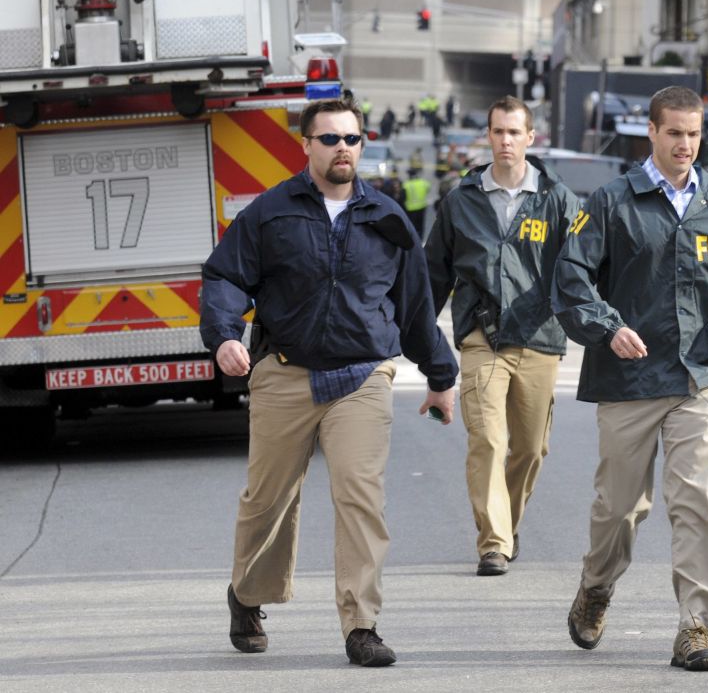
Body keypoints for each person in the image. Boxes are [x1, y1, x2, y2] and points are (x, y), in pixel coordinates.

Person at [200, 96, 458, 667]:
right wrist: (223, 336)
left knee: (361, 495)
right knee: (268, 499)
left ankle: (361, 625)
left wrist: (441, 375)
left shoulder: (387, 218)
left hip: (362, 376)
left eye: (352, 139)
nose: (343, 148)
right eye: (331, 139)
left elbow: (416, 308)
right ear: (306, 145)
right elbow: (224, 277)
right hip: (285, 373)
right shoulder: (271, 212)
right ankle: (247, 594)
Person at [552, 86, 708, 671]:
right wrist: (608, 327)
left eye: (694, 134)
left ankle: (697, 627)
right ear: (651, 131)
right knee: (619, 508)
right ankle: (597, 585)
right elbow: (570, 277)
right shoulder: (612, 202)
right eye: (674, 133)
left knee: (696, 503)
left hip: (699, 380)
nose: (685, 144)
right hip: (630, 379)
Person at [425, 95, 580, 576]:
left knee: (531, 449)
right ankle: (493, 542)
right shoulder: (461, 201)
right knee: (488, 440)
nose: (506, 141)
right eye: (498, 132)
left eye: (515, 132)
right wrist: (422, 346)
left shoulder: (558, 199)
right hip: (483, 337)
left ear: (531, 137)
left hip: (539, 336)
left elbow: (580, 270)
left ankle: (507, 524)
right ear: (488, 136)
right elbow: (434, 276)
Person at [401, 168, 431, 238]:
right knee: (420, 225)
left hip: (410, 208)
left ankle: (414, 239)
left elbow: (403, 197)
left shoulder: (406, 184)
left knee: (412, 226)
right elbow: (428, 189)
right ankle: (420, 238)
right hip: (422, 207)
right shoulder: (423, 182)